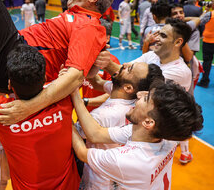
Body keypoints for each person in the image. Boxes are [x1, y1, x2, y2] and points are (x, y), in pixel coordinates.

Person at [0, 44, 80, 189]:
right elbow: (73, 79)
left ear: (10, 84)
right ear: (44, 78)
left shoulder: (1, 113)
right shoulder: (64, 100)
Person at [72, 81, 203, 189]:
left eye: (146, 98)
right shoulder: (165, 136)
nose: (139, 94)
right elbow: (97, 134)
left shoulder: (126, 160)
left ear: (148, 122)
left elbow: (82, 153)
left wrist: (66, 114)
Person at [104, 18, 194, 164]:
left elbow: (132, 81)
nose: (156, 38)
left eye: (163, 36)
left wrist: (101, 58)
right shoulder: (152, 56)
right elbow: (126, 69)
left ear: (178, 42)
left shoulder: (180, 71)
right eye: (158, 34)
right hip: (140, 125)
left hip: (154, 135)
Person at [77, 62, 164, 189]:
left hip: (98, 181)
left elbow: (78, 137)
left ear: (128, 88)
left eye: (130, 69)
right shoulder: (138, 103)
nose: (124, 65)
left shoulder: (102, 115)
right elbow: (98, 82)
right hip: (117, 178)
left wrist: (71, 95)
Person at [197, 5, 214, 88]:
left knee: (207, 62)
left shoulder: (210, 14)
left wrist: (205, 11)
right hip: (208, 41)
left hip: (208, 42)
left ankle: (204, 81)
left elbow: (199, 21)